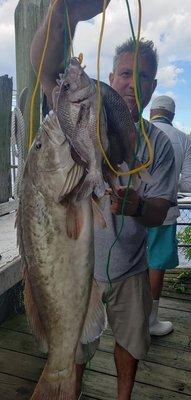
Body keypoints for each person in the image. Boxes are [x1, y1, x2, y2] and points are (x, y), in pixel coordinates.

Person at [30, 1, 177, 399]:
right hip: (81, 269)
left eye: (144, 77)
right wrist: (65, 12)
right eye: (126, 73)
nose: (134, 83)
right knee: (75, 352)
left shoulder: (159, 145)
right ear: (111, 76)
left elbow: (161, 209)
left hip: (131, 268)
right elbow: (46, 66)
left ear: (153, 86)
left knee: (130, 346)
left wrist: (137, 206)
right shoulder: (78, 114)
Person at [148, 95, 191, 336]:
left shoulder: (138, 131)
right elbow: (188, 184)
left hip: (132, 211)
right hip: (164, 212)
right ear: (172, 115)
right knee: (156, 265)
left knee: (133, 262)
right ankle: (150, 321)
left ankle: (127, 317)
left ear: (152, 111)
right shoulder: (183, 140)